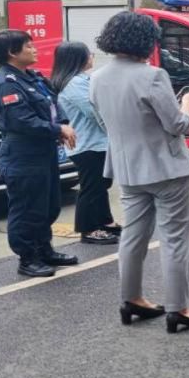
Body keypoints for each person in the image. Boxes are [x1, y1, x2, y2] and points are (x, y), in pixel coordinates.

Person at [90, 11, 189, 334]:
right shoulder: (153, 76)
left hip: (127, 169)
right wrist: (188, 103)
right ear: (146, 41)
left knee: (132, 236)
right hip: (166, 168)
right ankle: (179, 308)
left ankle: (131, 299)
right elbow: (177, 125)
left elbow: (104, 123)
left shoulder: (97, 78)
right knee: (174, 239)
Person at [0, 30, 79, 278]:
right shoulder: (6, 84)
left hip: (44, 151)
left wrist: (62, 125)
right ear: (12, 52)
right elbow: (22, 121)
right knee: (27, 209)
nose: (34, 49)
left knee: (48, 205)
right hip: (23, 155)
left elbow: (53, 103)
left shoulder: (33, 77)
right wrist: (57, 129)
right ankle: (28, 258)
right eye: (28, 46)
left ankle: (44, 250)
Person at [49, 41, 121, 246]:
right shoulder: (74, 83)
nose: (92, 56)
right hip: (88, 144)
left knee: (101, 184)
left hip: (94, 142)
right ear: (77, 58)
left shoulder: (78, 80)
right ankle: (88, 229)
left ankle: (105, 222)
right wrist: (117, 130)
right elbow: (95, 111)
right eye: (89, 53)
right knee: (92, 186)